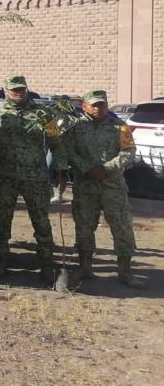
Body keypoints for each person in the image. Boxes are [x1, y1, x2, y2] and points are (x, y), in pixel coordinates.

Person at [0, 75, 63, 283]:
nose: (18, 92)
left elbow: (56, 142)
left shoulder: (44, 113)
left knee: (41, 221)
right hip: (5, 176)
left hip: (35, 177)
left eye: (21, 89)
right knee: (2, 222)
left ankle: (46, 264)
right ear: (5, 90)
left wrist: (61, 168)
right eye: (14, 89)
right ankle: (0, 261)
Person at [60, 90, 141, 287]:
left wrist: (107, 168)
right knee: (84, 227)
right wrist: (86, 168)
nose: (98, 108)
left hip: (112, 186)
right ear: (84, 106)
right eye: (94, 105)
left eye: (102, 104)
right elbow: (67, 150)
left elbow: (129, 151)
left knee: (122, 228)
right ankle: (85, 267)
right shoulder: (75, 127)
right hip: (85, 186)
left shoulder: (119, 127)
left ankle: (125, 271)